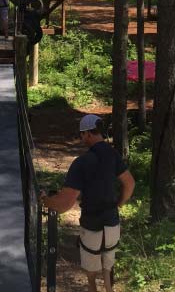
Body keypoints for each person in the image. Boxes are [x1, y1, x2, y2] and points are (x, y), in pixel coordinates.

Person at [40, 115, 135, 292]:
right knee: (107, 266)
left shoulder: (82, 162)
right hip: (112, 222)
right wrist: (118, 204)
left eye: (82, 135)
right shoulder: (113, 155)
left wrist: (45, 200)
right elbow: (129, 183)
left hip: (92, 225)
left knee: (91, 273)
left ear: (87, 134)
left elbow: (65, 203)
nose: (82, 138)